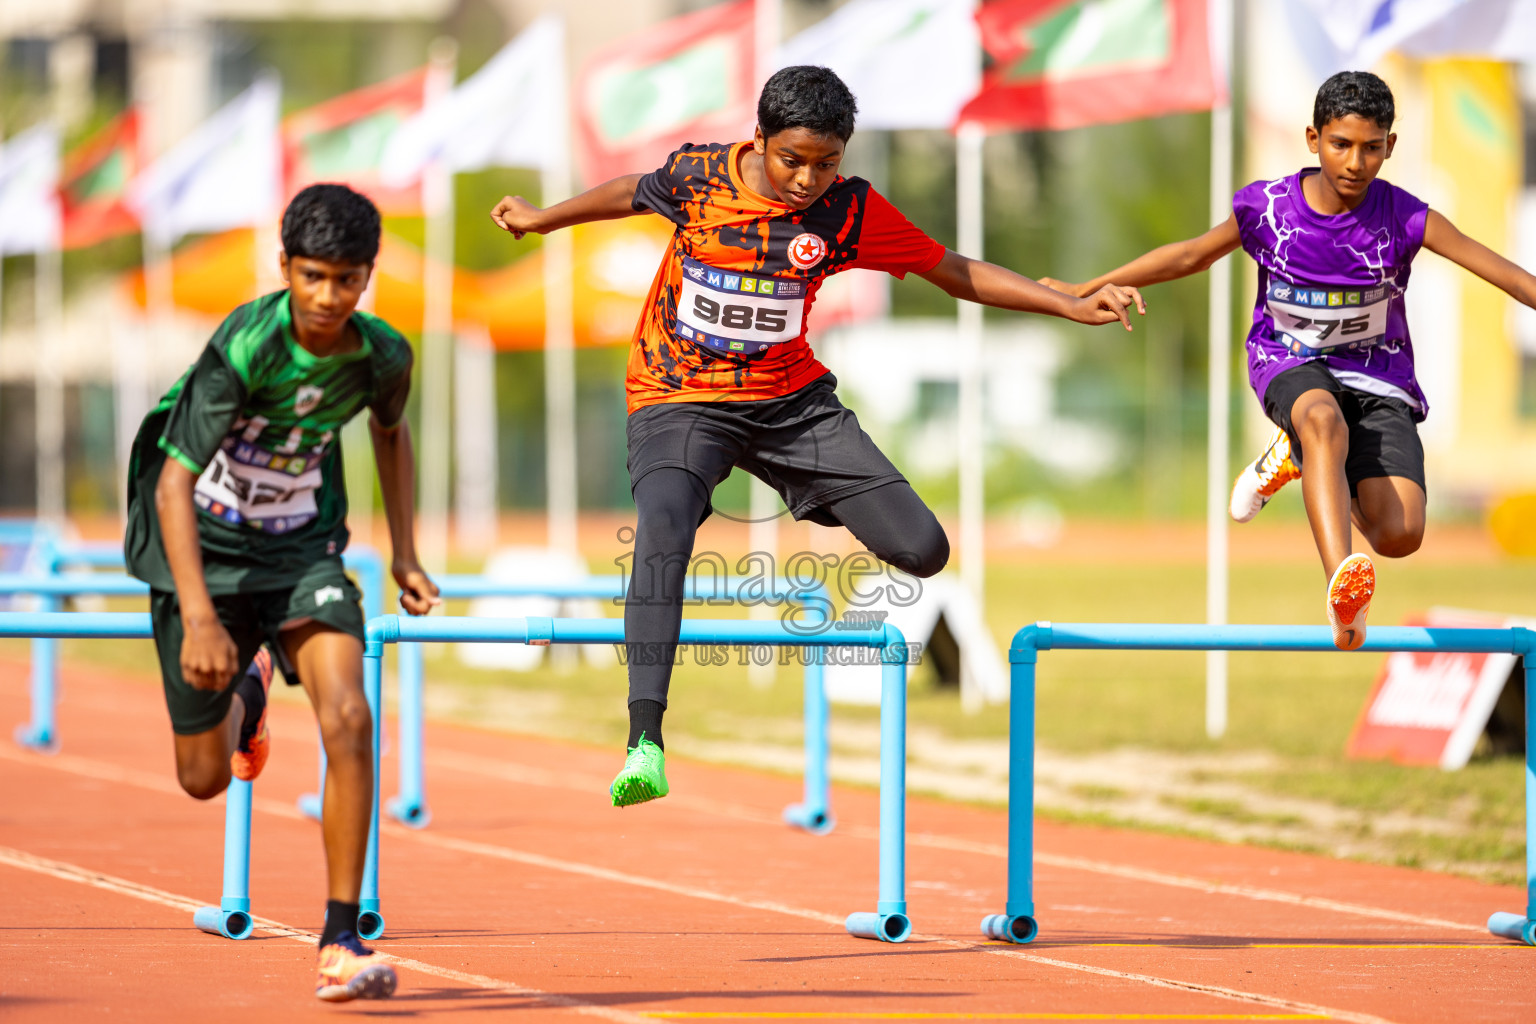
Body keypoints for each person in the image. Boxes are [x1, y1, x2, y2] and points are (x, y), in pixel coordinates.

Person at [491, 65, 1145, 806]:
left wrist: (1065, 301)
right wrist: (545, 218)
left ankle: (822, 491)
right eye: (792, 159)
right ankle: (646, 739)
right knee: (664, 525)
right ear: (761, 138)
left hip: (788, 403)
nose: (807, 179)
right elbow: (630, 191)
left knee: (923, 551)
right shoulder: (701, 176)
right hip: (681, 397)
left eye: (826, 163)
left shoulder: (848, 211)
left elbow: (953, 270)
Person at [1042, 70, 1536, 651]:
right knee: (1321, 418)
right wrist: (1085, 286)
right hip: (1289, 359)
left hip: (1379, 374)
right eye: (1341, 144)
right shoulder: (1269, 209)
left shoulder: (1405, 217)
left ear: (1390, 147)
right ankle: (1342, 594)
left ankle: (1297, 456)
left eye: (1371, 148)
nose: (1355, 162)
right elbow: (1190, 256)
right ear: (1313, 138)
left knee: (1401, 534)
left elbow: (1503, 273)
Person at [124, 183, 440, 1001]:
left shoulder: (381, 355)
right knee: (203, 777)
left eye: (347, 279)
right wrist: (199, 616)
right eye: (312, 277)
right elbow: (171, 484)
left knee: (350, 713)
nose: (329, 298)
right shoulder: (249, 345)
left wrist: (405, 552)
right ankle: (248, 691)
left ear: (368, 275)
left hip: (302, 549)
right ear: (285, 268)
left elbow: (390, 432)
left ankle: (341, 940)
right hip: (204, 547)